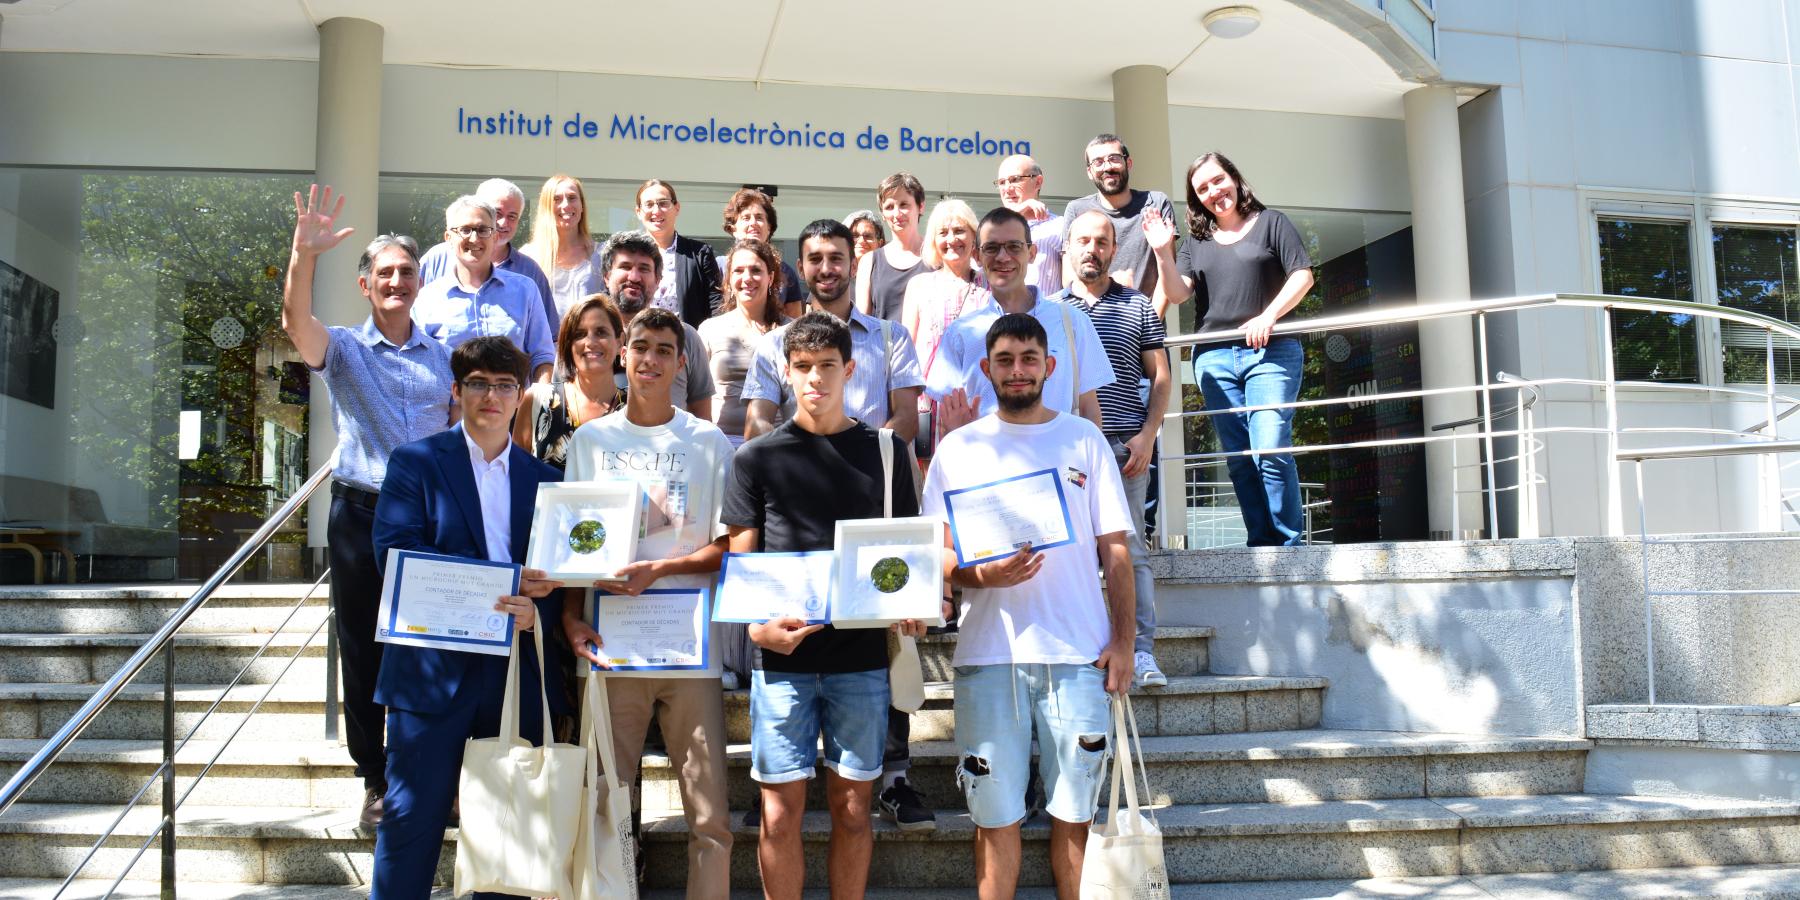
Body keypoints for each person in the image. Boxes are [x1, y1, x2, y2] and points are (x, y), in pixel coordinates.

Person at [921, 313, 1136, 900]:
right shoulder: (958, 450)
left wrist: (1124, 643)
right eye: (1006, 360)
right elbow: (938, 560)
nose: (1018, 370)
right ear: (987, 368)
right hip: (990, 658)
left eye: (1029, 359)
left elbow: (1115, 549)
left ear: (1051, 367)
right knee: (994, 820)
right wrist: (980, 574)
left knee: (1075, 816)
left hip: (1080, 656)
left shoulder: (1082, 439)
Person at [722, 312, 929, 900]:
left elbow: (906, 559)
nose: (816, 379)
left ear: (851, 370)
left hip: (861, 661)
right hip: (782, 664)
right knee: (779, 815)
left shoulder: (888, 453)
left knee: (854, 810)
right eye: (804, 368)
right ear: (786, 374)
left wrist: (911, 607)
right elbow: (743, 564)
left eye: (828, 367)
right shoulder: (754, 458)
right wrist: (758, 630)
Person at [280, 185, 456, 828]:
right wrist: (304, 254)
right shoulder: (346, 351)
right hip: (361, 514)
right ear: (366, 285)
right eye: (385, 272)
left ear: (419, 284)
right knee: (364, 649)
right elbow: (295, 324)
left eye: (407, 272)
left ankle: (430, 769)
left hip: (430, 519)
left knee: (431, 646)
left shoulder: (442, 359)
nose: (397, 281)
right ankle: (375, 780)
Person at [368, 336, 567, 900]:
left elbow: (557, 580)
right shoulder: (416, 462)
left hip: (513, 674)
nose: (492, 395)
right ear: (456, 392)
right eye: (478, 383)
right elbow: (396, 557)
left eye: (505, 385)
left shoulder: (546, 482)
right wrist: (504, 583)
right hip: (431, 671)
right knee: (411, 820)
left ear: (520, 395)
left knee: (506, 832)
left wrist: (540, 609)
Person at [560, 307, 736, 900]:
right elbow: (571, 543)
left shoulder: (707, 441)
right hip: (612, 648)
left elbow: (725, 545)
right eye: (641, 347)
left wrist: (660, 568)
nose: (651, 360)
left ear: (682, 362)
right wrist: (568, 617)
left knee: (710, 816)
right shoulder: (591, 441)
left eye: (665, 349)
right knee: (605, 802)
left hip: (690, 651)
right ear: (622, 355)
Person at [1150, 151, 1315, 547]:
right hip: (1215, 359)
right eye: (1202, 188)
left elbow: (1303, 275)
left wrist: (1269, 315)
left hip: (1271, 351)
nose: (1213, 192)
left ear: (1235, 179)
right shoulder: (1196, 242)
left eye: (1217, 180)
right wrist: (1161, 252)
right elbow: (1177, 293)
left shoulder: (1272, 223)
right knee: (1240, 458)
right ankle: (1260, 542)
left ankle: (1288, 545)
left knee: (1270, 446)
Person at [1056, 210, 1172, 688]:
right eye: (1082, 240)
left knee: (1132, 553)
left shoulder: (1138, 305)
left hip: (1125, 446)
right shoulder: (1051, 309)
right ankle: (1081, 644)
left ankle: (1141, 652)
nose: (1092, 249)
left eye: (1101, 241)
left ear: (1112, 249)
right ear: (1067, 248)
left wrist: (1148, 434)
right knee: (1072, 553)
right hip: (1066, 449)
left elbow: (1161, 376)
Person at [928, 208, 1113, 438]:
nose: (1003, 257)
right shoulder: (961, 333)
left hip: (1058, 462)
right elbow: (950, 420)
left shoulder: (1072, 322)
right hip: (988, 465)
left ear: (1032, 252)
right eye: (992, 248)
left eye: (1014, 247)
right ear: (977, 257)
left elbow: (1088, 408)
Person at [743, 219, 922, 447]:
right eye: (815, 259)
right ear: (800, 268)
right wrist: (802, 462)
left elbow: (907, 420)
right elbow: (756, 423)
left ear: (854, 266)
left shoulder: (892, 338)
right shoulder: (775, 343)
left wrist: (857, 464)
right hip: (801, 478)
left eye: (836, 259)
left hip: (871, 477)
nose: (826, 269)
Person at [412, 195, 555, 382]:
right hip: (450, 410)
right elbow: (418, 364)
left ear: (495, 237)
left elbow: (542, 356)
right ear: (449, 238)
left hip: (515, 409)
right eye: (465, 230)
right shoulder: (428, 299)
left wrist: (537, 401)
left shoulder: (525, 290)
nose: (474, 238)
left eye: (483, 230)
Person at [601, 230, 715, 421]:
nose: (634, 277)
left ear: (658, 280)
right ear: (606, 276)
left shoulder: (685, 337)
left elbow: (702, 419)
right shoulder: (584, 339)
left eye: (644, 269)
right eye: (625, 266)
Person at [900, 198, 983, 461]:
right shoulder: (919, 285)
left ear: (973, 236)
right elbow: (905, 350)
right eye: (943, 232)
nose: (952, 239)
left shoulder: (990, 285)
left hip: (979, 404)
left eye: (959, 231)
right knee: (930, 481)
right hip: (928, 405)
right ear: (933, 240)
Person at [418, 178, 555, 328]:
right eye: (497, 213)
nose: (503, 223)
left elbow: (547, 338)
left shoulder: (529, 272)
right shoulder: (436, 259)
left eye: (512, 216)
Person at [512, 295, 626, 471]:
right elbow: (516, 474)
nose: (590, 342)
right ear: (568, 344)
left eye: (601, 332)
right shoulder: (536, 400)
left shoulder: (635, 407)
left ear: (620, 342)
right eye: (579, 335)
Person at [1061, 133, 1178, 300]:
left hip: (1147, 319)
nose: (1108, 167)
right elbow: (1069, 277)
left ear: (1128, 163)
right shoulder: (1077, 210)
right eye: (1098, 162)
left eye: (1114, 158)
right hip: (1090, 318)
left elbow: (1167, 271)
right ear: (1089, 171)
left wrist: (1148, 319)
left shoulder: (1156, 203)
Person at [700, 240, 790, 449]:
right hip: (719, 444)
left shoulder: (792, 331)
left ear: (771, 277)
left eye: (756, 270)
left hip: (774, 446)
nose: (747, 278)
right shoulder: (709, 329)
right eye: (738, 271)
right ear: (729, 279)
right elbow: (694, 392)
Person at [635, 179, 723, 328]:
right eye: (649, 204)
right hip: (638, 343)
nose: (656, 211)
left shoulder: (699, 254)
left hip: (687, 344)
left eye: (663, 203)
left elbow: (716, 304)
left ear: (676, 207)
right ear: (638, 212)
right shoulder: (628, 254)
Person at [518, 174, 605, 320]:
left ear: (582, 205)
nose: (566, 205)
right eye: (556, 199)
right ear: (546, 207)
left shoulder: (600, 255)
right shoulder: (528, 256)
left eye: (572, 198)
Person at [852, 172, 930, 324]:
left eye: (904, 205)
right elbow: (862, 323)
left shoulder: (937, 256)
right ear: (882, 213)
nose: (897, 213)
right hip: (883, 347)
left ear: (920, 206)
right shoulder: (870, 262)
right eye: (889, 207)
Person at [719, 187, 805, 318]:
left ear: (769, 227)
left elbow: (794, 323)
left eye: (759, 217)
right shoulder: (718, 266)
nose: (753, 223)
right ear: (733, 228)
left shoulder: (785, 271)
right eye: (746, 218)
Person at [995, 154, 1064, 296]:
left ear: (1038, 182)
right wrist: (1017, 212)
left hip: (1045, 315)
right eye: (1002, 182)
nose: (1007, 189)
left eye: (1015, 180)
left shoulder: (1059, 227)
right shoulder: (991, 229)